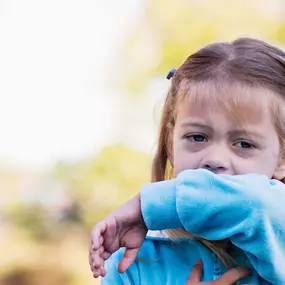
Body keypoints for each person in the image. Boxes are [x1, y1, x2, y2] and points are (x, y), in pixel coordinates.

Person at [89, 37, 285, 284]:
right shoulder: (134, 259)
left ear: (282, 159)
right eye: (197, 137)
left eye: (244, 144)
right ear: (171, 144)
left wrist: (146, 206)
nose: (214, 159)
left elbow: (260, 203)